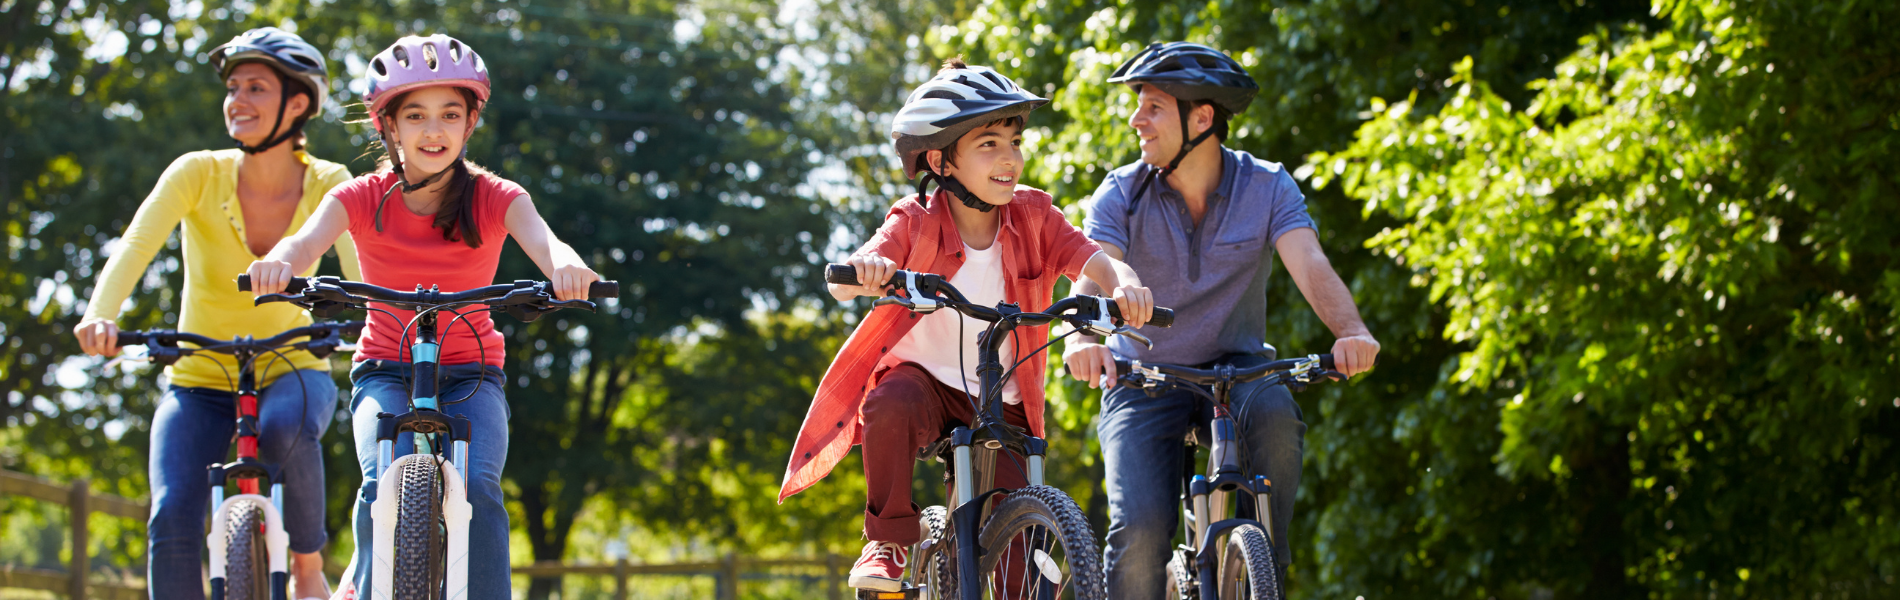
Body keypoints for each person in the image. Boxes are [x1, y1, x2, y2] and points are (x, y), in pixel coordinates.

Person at [776, 58, 1156, 593]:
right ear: (941, 160)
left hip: (1001, 396)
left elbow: (1095, 261)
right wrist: (869, 271)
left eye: (1014, 142)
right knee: (890, 401)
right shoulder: (913, 221)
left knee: (1019, 563)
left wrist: (1125, 284)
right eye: (989, 144)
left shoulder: (1035, 216)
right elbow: (843, 282)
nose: (1011, 159)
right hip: (926, 386)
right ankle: (887, 539)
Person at [243, 34, 601, 600]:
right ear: (387, 125)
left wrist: (569, 270)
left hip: (472, 371)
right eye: (416, 115)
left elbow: (550, 246)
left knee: (479, 486)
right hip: (385, 368)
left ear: (470, 123)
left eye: (449, 115)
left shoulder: (494, 195)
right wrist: (278, 263)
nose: (433, 131)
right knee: (375, 479)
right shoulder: (361, 196)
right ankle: (363, 584)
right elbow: (303, 243)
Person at [1061, 42, 1382, 597]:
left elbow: (1309, 262)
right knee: (1139, 534)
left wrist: (1350, 332)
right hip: (1145, 376)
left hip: (1237, 370)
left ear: (1202, 118)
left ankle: (1262, 569)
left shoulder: (1267, 185)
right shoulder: (1121, 192)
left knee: (1280, 420)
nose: (1136, 119)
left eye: (1153, 106)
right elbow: (1095, 267)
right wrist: (1080, 335)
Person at [72, 26, 355, 600]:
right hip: (199, 374)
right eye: (232, 87)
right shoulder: (195, 172)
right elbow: (134, 246)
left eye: (255, 87)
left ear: (297, 104)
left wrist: (376, 325)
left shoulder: (330, 183)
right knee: (172, 510)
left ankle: (306, 565)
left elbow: (365, 278)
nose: (237, 100)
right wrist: (101, 313)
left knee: (282, 430)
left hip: (293, 366)